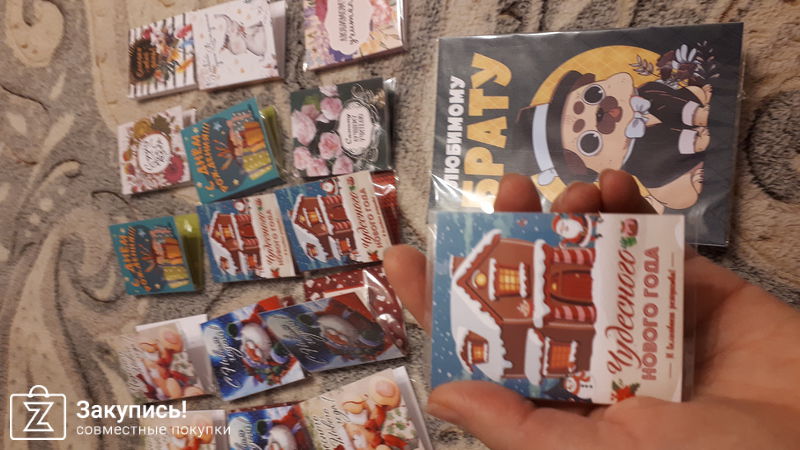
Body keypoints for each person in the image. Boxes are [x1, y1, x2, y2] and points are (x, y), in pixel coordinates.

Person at [384, 169, 800, 450]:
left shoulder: (516, 264)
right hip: (613, 347)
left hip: (609, 299)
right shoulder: (520, 306)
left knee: (585, 236)